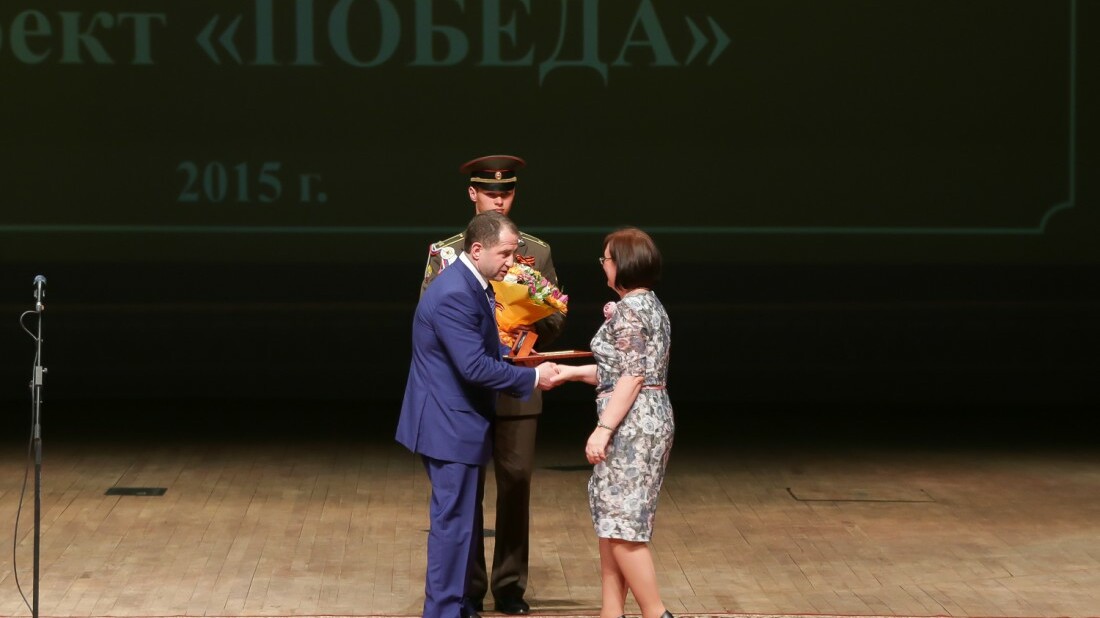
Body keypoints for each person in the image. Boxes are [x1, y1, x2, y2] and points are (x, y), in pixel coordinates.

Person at [420, 155, 565, 615]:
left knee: (516, 481)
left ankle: (509, 585)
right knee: (466, 490)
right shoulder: (447, 253)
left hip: (517, 382)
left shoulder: (535, 250)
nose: (499, 199)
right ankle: (468, 587)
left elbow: (555, 315)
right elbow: (433, 315)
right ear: (473, 194)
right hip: (467, 389)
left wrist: (528, 327)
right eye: (490, 192)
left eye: (506, 192)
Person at [550, 227, 674, 618]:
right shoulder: (647, 304)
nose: (602, 265)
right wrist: (569, 373)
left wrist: (602, 430)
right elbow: (618, 370)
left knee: (622, 526)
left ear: (622, 264)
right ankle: (611, 613)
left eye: (605, 259)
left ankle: (656, 613)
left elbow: (633, 376)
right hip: (643, 415)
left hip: (633, 424)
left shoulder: (632, 310)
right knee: (611, 523)